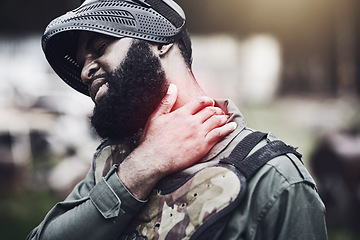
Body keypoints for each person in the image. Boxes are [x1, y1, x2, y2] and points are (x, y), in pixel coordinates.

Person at [27, 0, 328, 239]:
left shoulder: (273, 177)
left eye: (100, 48)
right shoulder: (113, 161)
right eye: (81, 64)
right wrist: (144, 165)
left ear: (159, 40)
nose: (85, 71)